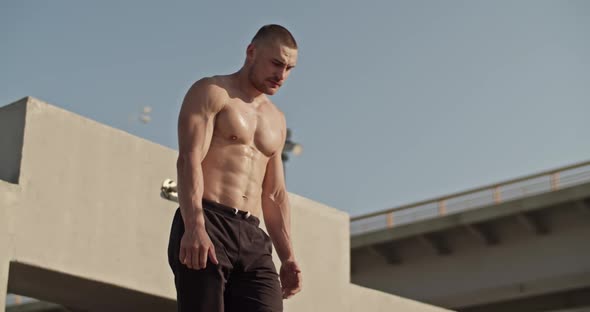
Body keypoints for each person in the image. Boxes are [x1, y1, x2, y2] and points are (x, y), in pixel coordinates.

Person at [167, 24, 302, 312]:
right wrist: (194, 226)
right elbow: (189, 159)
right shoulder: (213, 92)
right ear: (251, 52)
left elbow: (275, 194)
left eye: (289, 68)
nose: (282, 75)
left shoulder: (276, 119)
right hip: (209, 221)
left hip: (252, 236)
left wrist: (288, 257)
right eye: (276, 63)